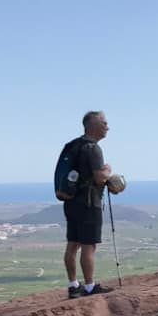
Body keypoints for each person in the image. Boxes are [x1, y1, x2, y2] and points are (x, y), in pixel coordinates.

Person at [62, 111, 114, 298]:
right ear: (93, 125)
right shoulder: (93, 149)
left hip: (71, 202)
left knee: (72, 244)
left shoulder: (73, 146)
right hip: (89, 203)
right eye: (104, 123)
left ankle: (73, 285)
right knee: (88, 245)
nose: (107, 127)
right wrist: (108, 170)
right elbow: (100, 179)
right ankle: (90, 287)